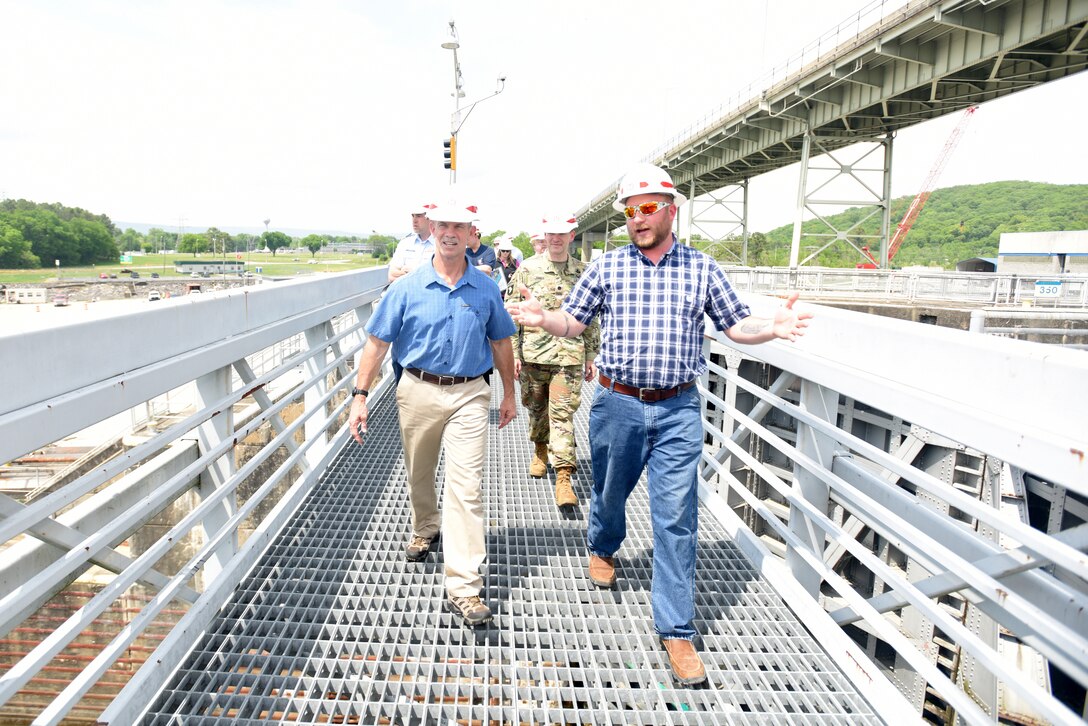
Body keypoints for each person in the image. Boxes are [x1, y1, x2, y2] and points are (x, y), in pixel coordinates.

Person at [506, 163, 812, 684]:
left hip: (677, 410)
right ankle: (603, 545)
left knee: (676, 517)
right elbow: (573, 323)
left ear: (672, 209)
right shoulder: (606, 268)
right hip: (616, 404)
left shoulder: (702, 268)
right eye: (631, 210)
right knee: (608, 492)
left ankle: (676, 629)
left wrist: (772, 328)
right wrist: (544, 320)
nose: (638, 218)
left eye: (649, 207)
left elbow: (736, 326)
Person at [350, 194, 518, 627]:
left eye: (458, 227)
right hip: (418, 390)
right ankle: (425, 526)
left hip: (469, 394)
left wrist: (508, 394)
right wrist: (359, 395)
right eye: (441, 225)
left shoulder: (485, 288)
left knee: (466, 488)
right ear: (432, 229)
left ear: (470, 234)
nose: (448, 233)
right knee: (420, 470)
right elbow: (377, 341)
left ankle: (463, 587)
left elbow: (501, 341)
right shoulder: (406, 287)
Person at [505, 213, 598, 509]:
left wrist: (592, 355)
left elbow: (592, 317)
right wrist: (514, 353)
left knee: (562, 416)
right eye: (551, 234)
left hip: (569, 357)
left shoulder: (584, 272)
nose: (556, 239)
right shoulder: (527, 270)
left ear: (572, 235)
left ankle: (564, 478)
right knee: (536, 411)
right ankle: (540, 450)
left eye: (562, 234)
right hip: (534, 355)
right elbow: (513, 312)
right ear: (544, 237)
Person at [387, 202, 436, 283]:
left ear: (429, 218)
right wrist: (420, 275)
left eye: (418, 216)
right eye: (413, 216)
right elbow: (391, 276)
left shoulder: (440, 245)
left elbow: (440, 277)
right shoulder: (405, 243)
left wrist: (410, 272)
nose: (414, 220)